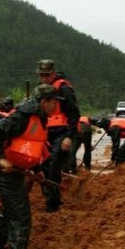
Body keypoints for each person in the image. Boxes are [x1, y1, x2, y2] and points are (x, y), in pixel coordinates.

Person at [0, 84, 60, 249]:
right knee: (21, 214)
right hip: (5, 171)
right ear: (44, 102)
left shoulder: (39, 118)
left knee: (11, 209)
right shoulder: (23, 116)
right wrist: (1, 158)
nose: (56, 107)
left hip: (17, 170)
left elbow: (29, 147)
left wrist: (37, 169)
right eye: (54, 102)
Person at [36, 59, 80, 212]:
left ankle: (53, 204)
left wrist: (69, 136)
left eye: (46, 75)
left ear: (53, 73)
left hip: (62, 132)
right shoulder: (40, 90)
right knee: (41, 166)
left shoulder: (64, 89)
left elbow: (74, 114)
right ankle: (50, 192)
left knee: (54, 165)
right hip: (45, 133)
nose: (43, 78)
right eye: (41, 75)